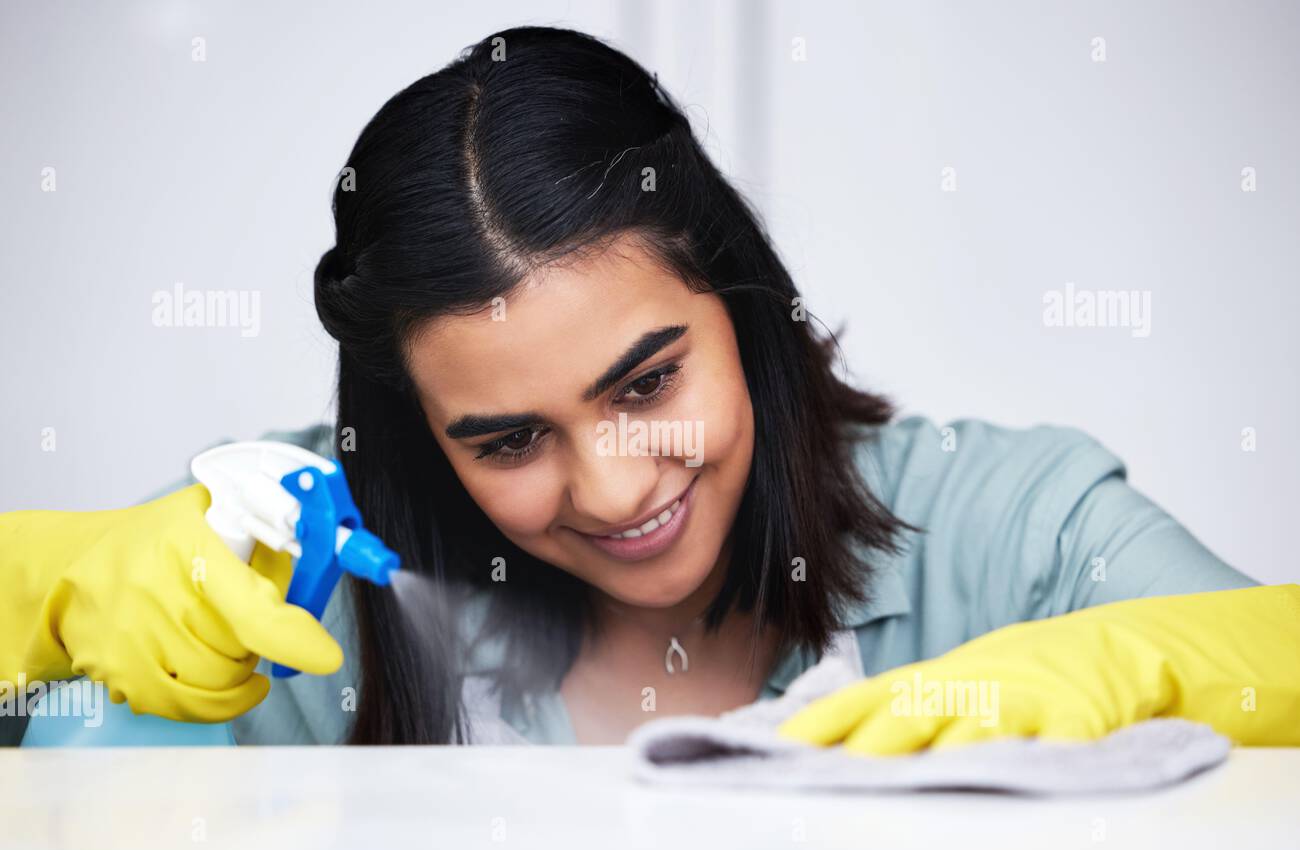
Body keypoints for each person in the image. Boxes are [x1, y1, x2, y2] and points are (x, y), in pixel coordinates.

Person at [1, 27, 1294, 750]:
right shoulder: (279, 564)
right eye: (506, 438)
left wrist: (1139, 663)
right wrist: (43, 601)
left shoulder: (1005, 523)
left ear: (741, 306)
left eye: (648, 379)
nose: (616, 485)